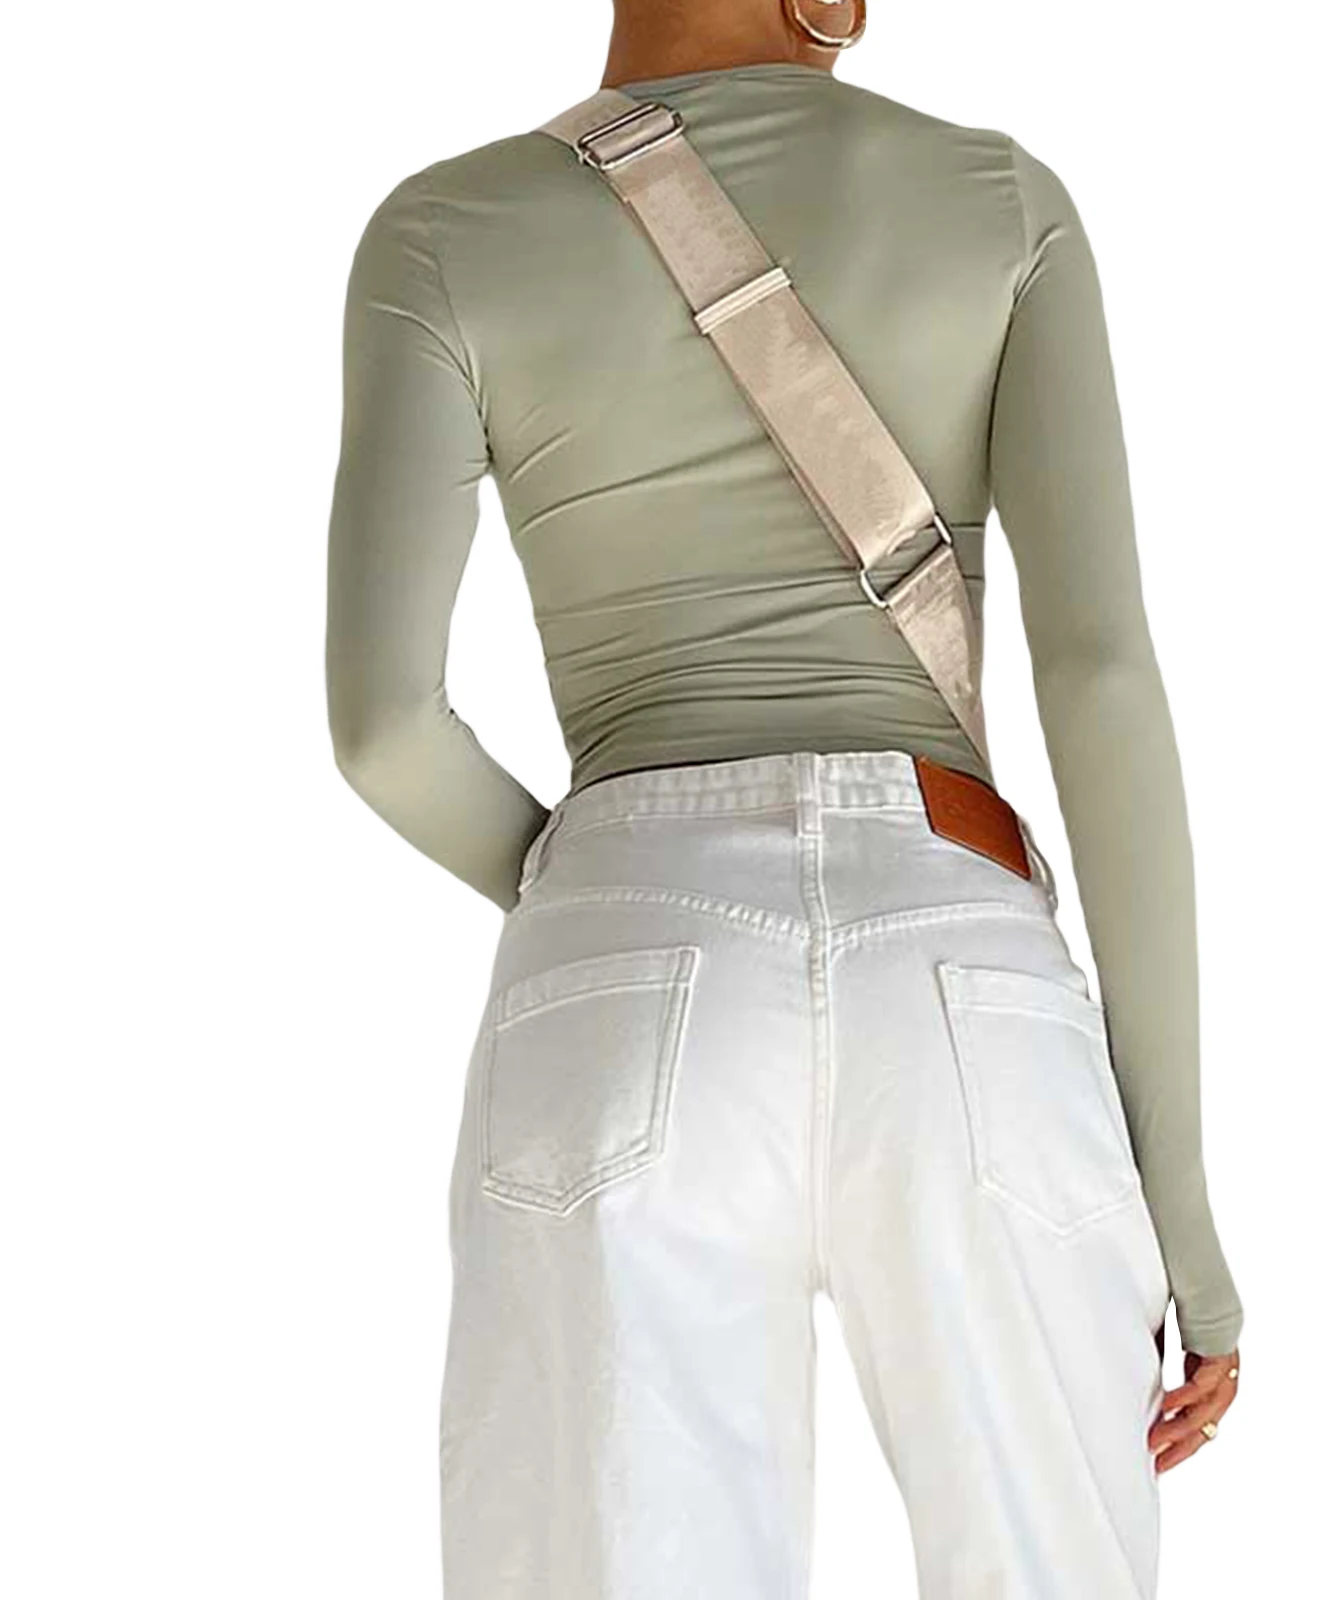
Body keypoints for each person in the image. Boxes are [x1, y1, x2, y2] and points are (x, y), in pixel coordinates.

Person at [325, 1, 1243, 1594]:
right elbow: (1101, 682)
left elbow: (384, 728)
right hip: (960, 963)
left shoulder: (443, 228)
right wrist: (1187, 1214)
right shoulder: (999, 201)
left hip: (616, 968)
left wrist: (615, 883)